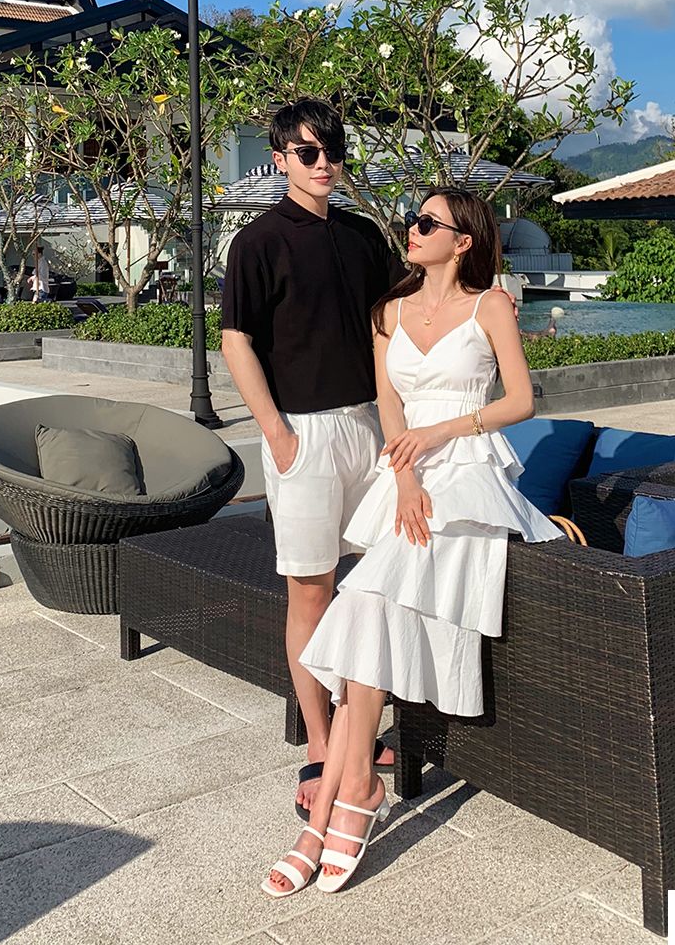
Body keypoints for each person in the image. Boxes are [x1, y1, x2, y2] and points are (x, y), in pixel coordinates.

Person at [262, 188, 564, 898]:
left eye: (427, 222)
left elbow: (521, 401)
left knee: (367, 606)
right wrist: (402, 479)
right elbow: (388, 405)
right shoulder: (387, 313)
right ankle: (353, 793)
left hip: (467, 478)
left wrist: (441, 433)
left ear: (463, 241)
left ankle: (328, 815)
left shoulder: (491, 306)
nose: (412, 229)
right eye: (412, 219)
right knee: (369, 610)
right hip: (407, 479)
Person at [221, 100, 403, 818]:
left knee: (381, 581)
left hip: (369, 428)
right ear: (280, 159)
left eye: (332, 151)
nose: (323, 163)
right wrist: (276, 433)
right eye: (307, 152)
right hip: (302, 432)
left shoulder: (363, 236)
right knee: (311, 589)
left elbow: (395, 323)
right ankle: (323, 745)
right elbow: (236, 340)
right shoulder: (258, 242)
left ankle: (361, 732)